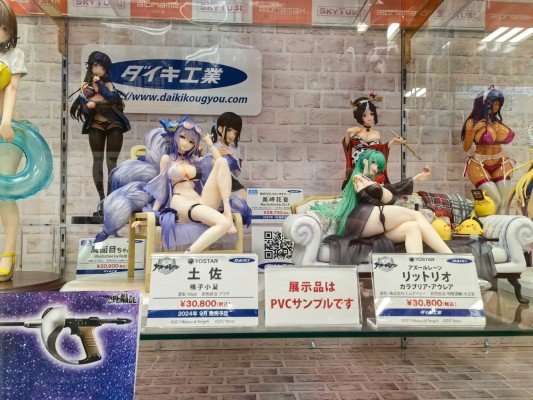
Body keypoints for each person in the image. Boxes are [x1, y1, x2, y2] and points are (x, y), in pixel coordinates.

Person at [95, 118, 251, 254]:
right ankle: (188, 255)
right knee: (224, 224)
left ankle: (227, 212)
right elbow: (161, 187)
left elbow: (219, 162)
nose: (186, 143)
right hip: (182, 203)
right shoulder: (167, 159)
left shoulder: (195, 160)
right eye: (182, 137)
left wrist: (208, 142)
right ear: (175, 137)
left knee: (222, 162)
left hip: (201, 201)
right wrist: (154, 212)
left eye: (191, 141)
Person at [313, 150, 452, 264]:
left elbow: (394, 188)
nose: (377, 168)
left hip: (374, 220)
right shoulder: (357, 177)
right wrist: (382, 206)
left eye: (379, 167)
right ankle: (449, 257)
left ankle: (417, 269)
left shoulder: (371, 181)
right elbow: (363, 196)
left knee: (412, 227)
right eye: (374, 163)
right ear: (365, 161)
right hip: (363, 218)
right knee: (416, 215)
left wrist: (415, 179)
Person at [0, 0, 52, 281]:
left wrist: (6, 121)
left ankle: (7, 253)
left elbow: (12, 90)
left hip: (8, 132)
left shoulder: (13, 56)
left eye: (3, 27)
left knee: (4, 194)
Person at [70, 51, 130, 207]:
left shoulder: (108, 85)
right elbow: (82, 108)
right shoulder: (86, 88)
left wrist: (100, 85)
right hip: (96, 125)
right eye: (96, 65)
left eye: (102, 67)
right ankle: (102, 199)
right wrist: (88, 106)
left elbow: (111, 98)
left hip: (114, 124)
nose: (98, 70)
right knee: (97, 160)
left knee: (112, 162)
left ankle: (110, 198)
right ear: (90, 66)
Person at [462, 86, 514, 214]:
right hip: (479, 164)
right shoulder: (472, 122)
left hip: (501, 162)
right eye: (494, 103)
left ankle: (502, 227)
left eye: (499, 104)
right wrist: (474, 129)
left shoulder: (498, 122)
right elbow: (466, 147)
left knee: (504, 202)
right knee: (494, 200)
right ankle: (484, 225)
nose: (497, 107)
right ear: (484, 103)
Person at [342, 93, 403, 188]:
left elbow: (381, 149)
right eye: (364, 115)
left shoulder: (376, 133)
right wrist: (347, 132)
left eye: (371, 114)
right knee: (359, 185)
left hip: (373, 164)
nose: (369, 118)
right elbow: (347, 147)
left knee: (372, 184)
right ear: (360, 116)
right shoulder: (356, 131)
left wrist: (394, 140)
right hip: (358, 164)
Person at [210, 111, 246, 198]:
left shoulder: (235, 149)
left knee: (244, 196)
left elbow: (237, 173)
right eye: (229, 130)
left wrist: (233, 156)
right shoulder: (212, 146)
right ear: (220, 129)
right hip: (213, 180)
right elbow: (206, 168)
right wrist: (215, 156)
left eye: (235, 133)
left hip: (228, 179)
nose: (232, 135)